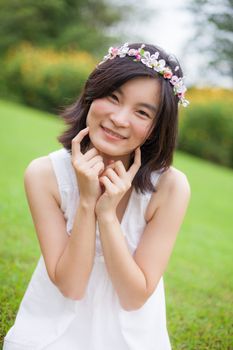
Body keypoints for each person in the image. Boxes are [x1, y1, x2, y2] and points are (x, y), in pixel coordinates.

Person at [3, 42, 191, 350]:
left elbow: (134, 298)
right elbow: (72, 286)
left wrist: (107, 215)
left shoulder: (171, 188)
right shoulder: (44, 174)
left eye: (141, 112)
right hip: (53, 324)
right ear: (92, 95)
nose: (119, 118)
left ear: (156, 129)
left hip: (131, 334)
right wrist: (88, 203)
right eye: (113, 98)